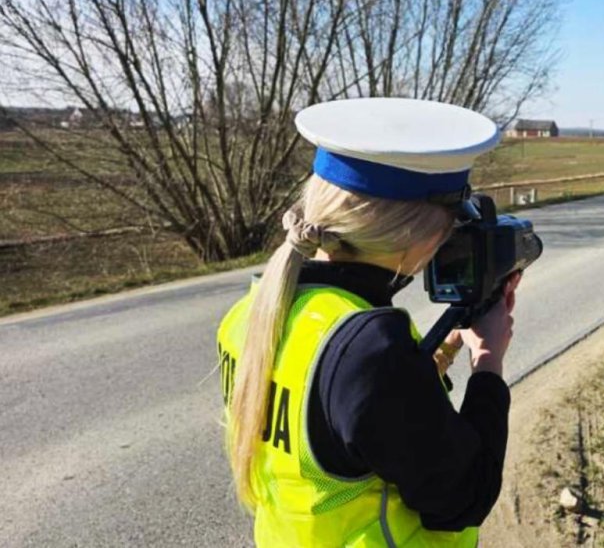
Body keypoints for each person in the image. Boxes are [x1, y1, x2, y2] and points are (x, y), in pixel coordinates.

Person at [216, 98, 518, 547]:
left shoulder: (250, 315)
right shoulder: (371, 348)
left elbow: (336, 427)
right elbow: (463, 497)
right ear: (416, 233)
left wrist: (424, 368)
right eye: (451, 226)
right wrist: (488, 363)